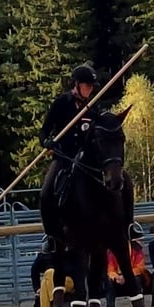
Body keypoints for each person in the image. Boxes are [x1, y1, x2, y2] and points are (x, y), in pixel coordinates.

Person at [38, 64, 101, 248]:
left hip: (88, 161)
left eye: (91, 86)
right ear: (76, 84)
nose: (90, 89)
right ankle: (52, 237)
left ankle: (125, 226)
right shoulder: (60, 104)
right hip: (64, 158)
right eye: (86, 85)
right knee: (45, 194)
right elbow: (43, 132)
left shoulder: (94, 106)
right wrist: (47, 142)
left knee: (117, 182)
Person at [105, 222, 152, 307]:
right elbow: (110, 269)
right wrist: (116, 277)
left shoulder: (137, 248)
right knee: (109, 281)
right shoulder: (112, 250)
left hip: (132, 274)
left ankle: (139, 305)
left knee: (137, 279)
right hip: (119, 277)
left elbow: (140, 267)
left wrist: (127, 276)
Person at [30, 235, 74, 307]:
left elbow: (72, 270)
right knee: (44, 282)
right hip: (50, 281)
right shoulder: (43, 256)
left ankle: (54, 301)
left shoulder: (66, 253)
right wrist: (37, 288)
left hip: (67, 281)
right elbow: (34, 270)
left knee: (50, 272)